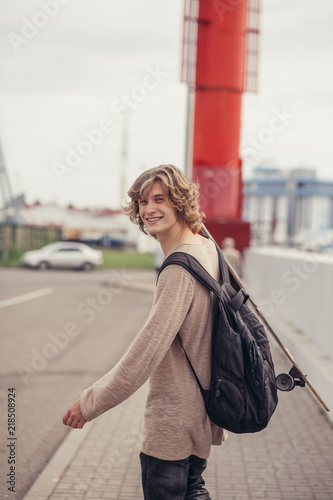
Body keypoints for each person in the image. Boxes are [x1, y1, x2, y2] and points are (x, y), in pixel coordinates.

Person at [62, 164, 227, 499]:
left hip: (174, 424)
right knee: (194, 490)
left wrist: (89, 403)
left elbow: (144, 355)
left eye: (160, 199)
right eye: (142, 201)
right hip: (201, 413)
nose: (149, 209)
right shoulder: (207, 248)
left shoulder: (179, 268)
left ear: (180, 202)